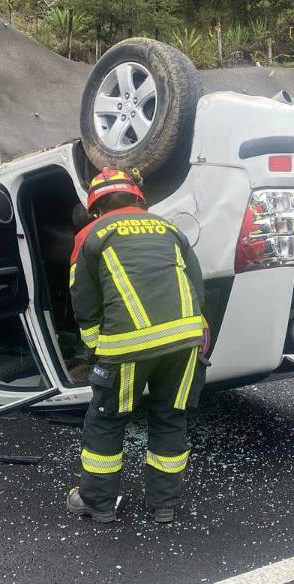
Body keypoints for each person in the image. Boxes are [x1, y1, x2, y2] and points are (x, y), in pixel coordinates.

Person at [66, 167, 208, 524]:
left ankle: (97, 504)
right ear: (138, 199)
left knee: (106, 420)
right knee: (170, 417)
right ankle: (164, 506)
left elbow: (83, 300)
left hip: (128, 346)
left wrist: (93, 352)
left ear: (95, 206)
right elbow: (196, 284)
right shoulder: (170, 228)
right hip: (184, 342)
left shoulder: (91, 233)